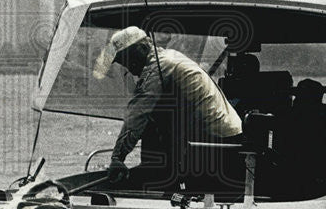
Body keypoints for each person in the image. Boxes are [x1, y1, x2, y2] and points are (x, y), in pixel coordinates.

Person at [92, 26, 243, 187]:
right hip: (225, 133)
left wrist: (117, 158)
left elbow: (137, 115)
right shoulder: (170, 56)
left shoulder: (159, 67)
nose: (129, 67)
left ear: (143, 48)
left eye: (129, 60)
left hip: (215, 140)